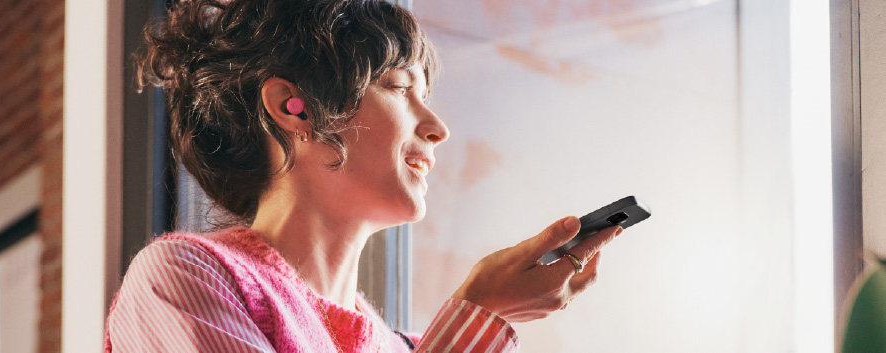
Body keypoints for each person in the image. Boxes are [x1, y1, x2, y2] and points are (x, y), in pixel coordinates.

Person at [103, 0, 623, 352]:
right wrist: (478, 316)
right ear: (294, 107)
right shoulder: (181, 277)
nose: (437, 127)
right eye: (399, 87)